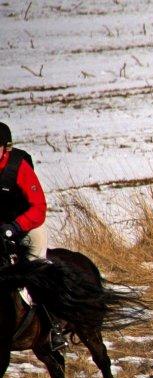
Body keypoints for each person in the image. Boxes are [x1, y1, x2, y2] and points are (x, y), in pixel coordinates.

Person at [0, 122, 68, 350]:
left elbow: (38, 207)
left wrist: (15, 227)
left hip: (27, 227)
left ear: (5, 149)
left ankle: (54, 327)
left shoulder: (19, 167)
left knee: (36, 268)